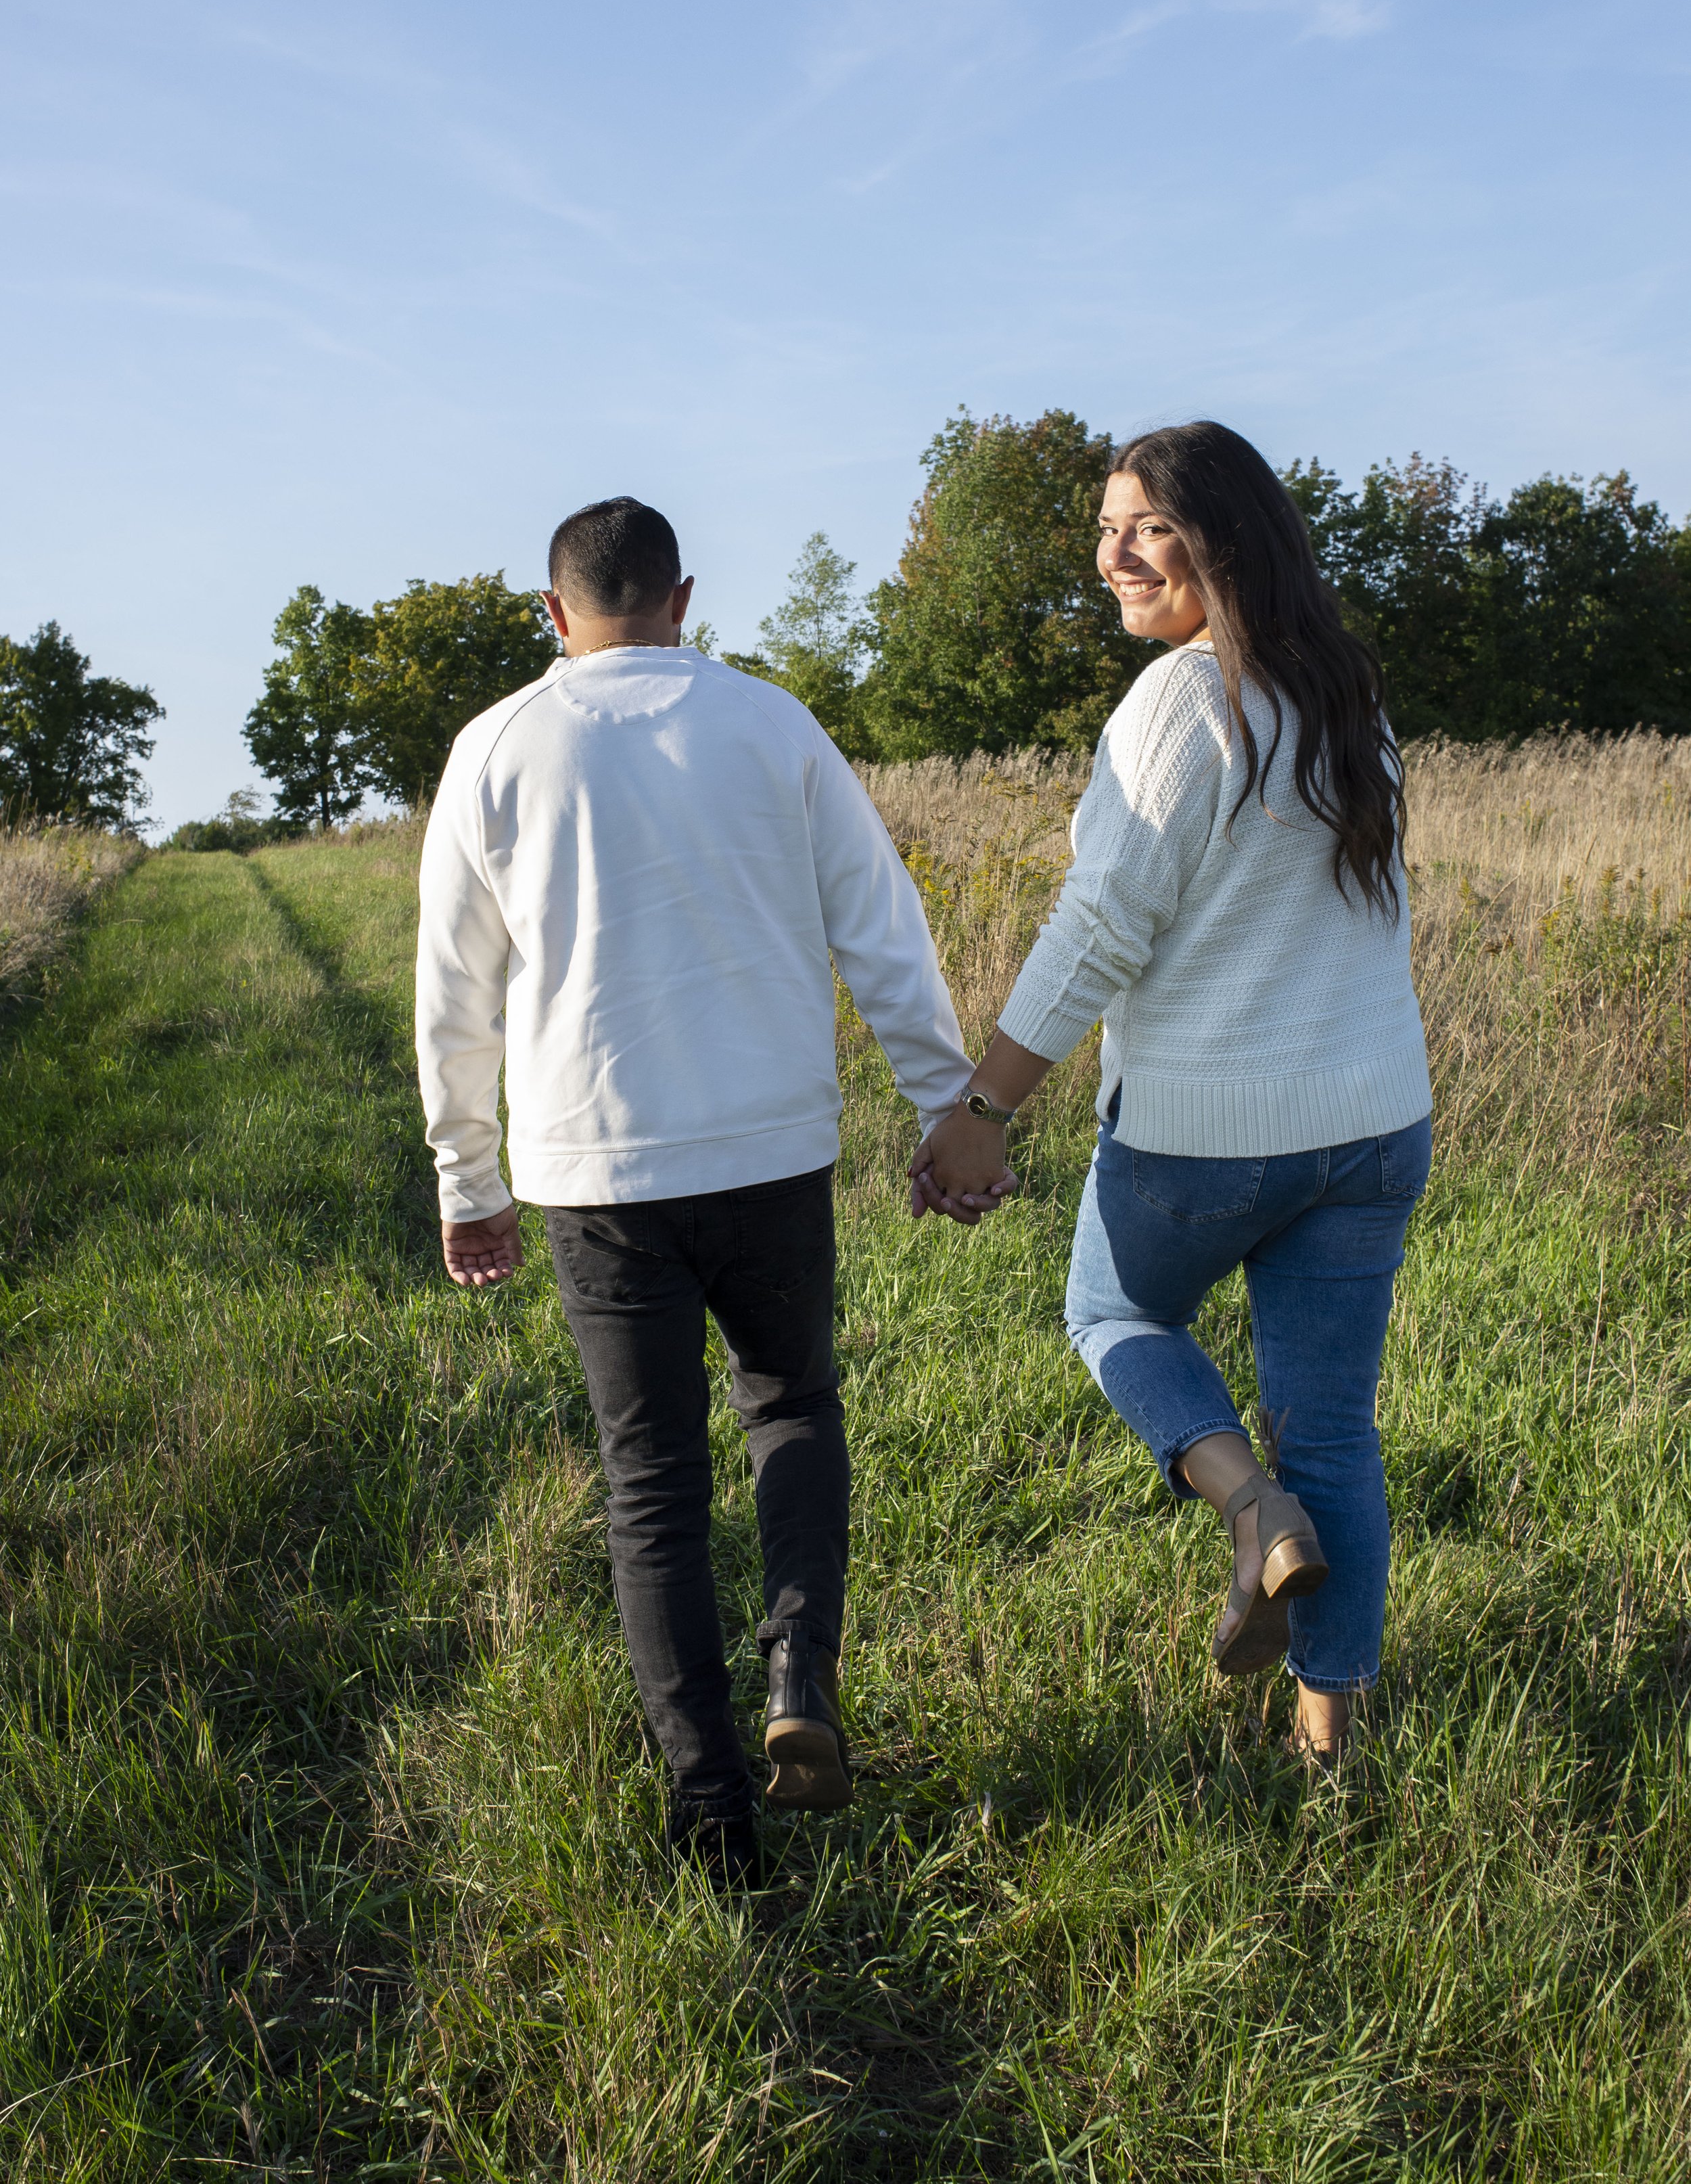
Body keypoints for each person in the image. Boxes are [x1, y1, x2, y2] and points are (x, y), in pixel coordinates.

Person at [415, 499, 973, 1885]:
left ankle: (712, 1806)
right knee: (791, 1408)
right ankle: (800, 1672)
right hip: (770, 1148)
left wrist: (468, 1177)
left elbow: (454, 994)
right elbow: (879, 922)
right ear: (681, 599)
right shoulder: (772, 724)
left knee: (652, 1483)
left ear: (555, 613)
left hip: (594, 1168)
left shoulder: (495, 747)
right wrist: (944, 1103)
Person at [913, 421, 1432, 1765]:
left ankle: (1251, 1509)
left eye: (1147, 526)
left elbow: (1099, 927)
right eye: (1106, 529)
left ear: (1224, 536)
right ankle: (1328, 1741)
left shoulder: (1181, 701)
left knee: (1112, 1309)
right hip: (1374, 1124)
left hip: (1211, 1133)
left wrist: (983, 1110)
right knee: (1335, 1431)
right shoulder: (1345, 695)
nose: (1114, 556)